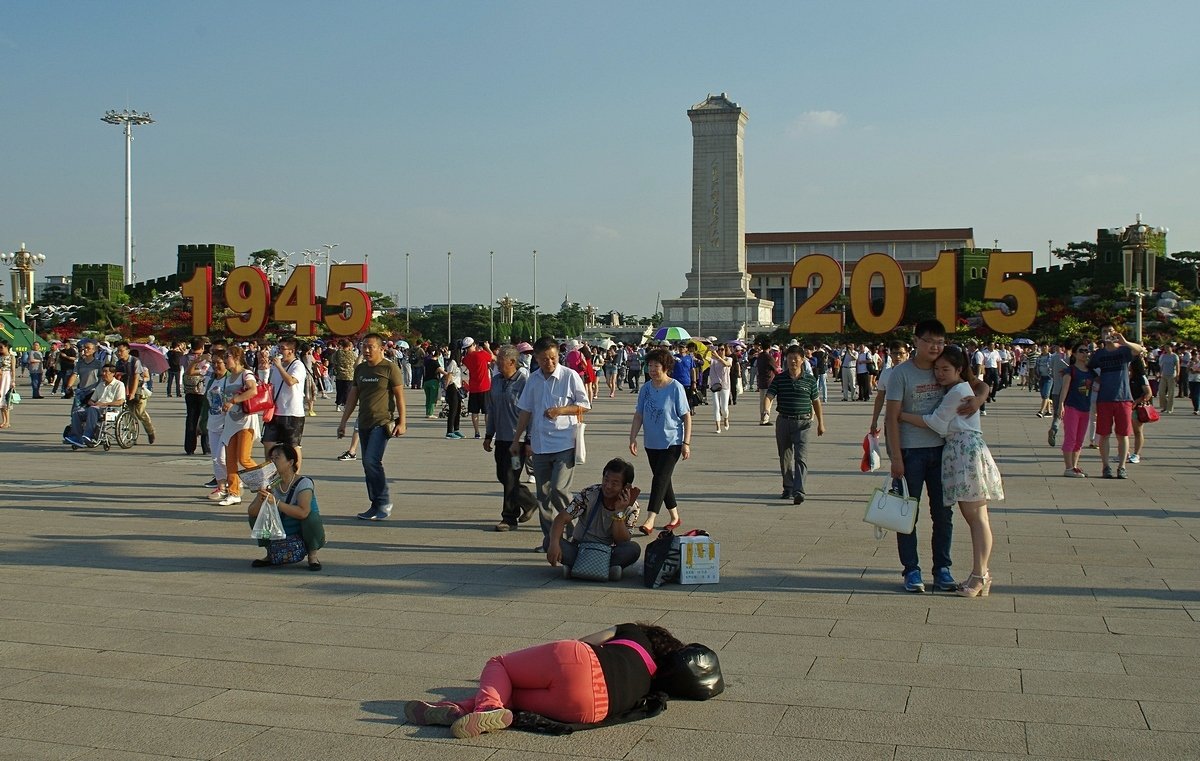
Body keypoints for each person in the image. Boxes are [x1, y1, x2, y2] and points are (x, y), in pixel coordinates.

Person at [405, 622, 685, 738]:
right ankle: (459, 710)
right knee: (510, 697)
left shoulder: (634, 632)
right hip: (590, 708)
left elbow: (586, 641)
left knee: (499, 664)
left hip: (578, 660)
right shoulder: (651, 686)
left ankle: (486, 708)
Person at [884, 319, 988, 594]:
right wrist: (895, 457)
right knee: (907, 513)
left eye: (940, 342)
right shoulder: (901, 374)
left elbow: (978, 385)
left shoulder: (944, 366)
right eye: (929, 340)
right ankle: (911, 570)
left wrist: (979, 399)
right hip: (910, 452)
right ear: (916, 340)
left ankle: (942, 568)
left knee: (943, 514)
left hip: (944, 451)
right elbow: (891, 417)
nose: (935, 347)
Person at [899, 345, 1004, 598]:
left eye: (945, 369)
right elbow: (980, 386)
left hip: (965, 452)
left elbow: (936, 422)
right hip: (962, 451)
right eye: (937, 368)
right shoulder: (959, 388)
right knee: (976, 518)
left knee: (977, 519)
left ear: (959, 369)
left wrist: (901, 415)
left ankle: (981, 575)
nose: (939, 373)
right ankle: (979, 573)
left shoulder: (957, 391)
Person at [510, 336, 591, 551]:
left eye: (553, 358)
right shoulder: (534, 380)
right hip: (540, 445)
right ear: (536, 357)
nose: (550, 363)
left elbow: (584, 405)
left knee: (559, 490)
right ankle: (550, 540)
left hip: (565, 443)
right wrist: (517, 439)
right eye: (545, 359)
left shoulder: (569, 376)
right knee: (543, 495)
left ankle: (576, 536)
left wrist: (561, 410)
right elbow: (525, 411)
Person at [337, 333, 407, 520]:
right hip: (364, 422)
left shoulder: (390, 368)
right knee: (367, 465)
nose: (366, 350)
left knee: (371, 461)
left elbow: (399, 396)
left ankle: (383, 501)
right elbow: (352, 398)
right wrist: (343, 422)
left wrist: (402, 421)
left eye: (370, 347)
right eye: (364, 347)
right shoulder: (360, 370)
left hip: (382, 422)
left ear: (381, 348)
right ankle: (375, 504)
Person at [547, 457, 642, 580]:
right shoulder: (589, 494)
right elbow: (561, 519)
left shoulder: (632, 508)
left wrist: (619, 511)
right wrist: (554, 544)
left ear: (626, 487)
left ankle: (576, 568)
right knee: (549, 540)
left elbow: (622, 541)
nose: (607, 486)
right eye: (606, 480)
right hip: (580, 549)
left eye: (614, 483)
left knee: (633, 549)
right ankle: (606, 570)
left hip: (608, 552)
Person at [629, 348, 690, 533]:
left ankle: (650, 519)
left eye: (657, 366)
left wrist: (686, 443)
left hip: (672, 442)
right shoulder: (646, 388)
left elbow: (686, 416)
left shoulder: (675, 387)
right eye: (650, 366)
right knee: (664, 481)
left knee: (659, 479)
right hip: (651, 442)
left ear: (666, 368)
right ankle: (675, 517)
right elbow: (639, 414)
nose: (653, 370)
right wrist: (633, 438)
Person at [246, 443, 325, 571]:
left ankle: (312, 554)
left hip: (299, 527)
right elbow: (252, 512)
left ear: (290, 462)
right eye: (271, 458)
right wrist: (260, 500)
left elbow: (303, 513)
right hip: (279, 526)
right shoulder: (269, 482)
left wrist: (276, 502)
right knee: (256, 516)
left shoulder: (304, 483)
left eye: (277, 457)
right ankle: (270, 552)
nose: (272, 461)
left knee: (311, 517)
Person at [764, 344, 826, 504]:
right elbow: (770, 395)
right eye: (790, 358)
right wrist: (766, 410)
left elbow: (816, 402)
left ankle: (799, 491)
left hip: (803, 422)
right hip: (784, 420)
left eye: (795, 358)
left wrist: (821, 423)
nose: (792, 361)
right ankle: (788, 487)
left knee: (801, 457)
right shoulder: (780, 378)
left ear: (802, 359)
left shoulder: (810, 380)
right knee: (784, 457)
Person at [484, 345, 535, 531]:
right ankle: (529, 501)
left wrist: (529, 440)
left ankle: (509, 518)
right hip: (501, 439)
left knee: (511, 475)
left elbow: (530, 412)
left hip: (518, 442)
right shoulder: (496, 381)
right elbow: (492, 409)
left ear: (512, 362)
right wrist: (489, 435)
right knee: (502, 475)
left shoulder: (525, 381)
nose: (496, 364)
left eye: (500, 362)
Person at [1087, 324, 1143, 479]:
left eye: (1110, 331)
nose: (1108, 333)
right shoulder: (1099, 354)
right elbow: (1089, 367)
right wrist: (1095, 377)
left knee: (1123, 434)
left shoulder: (1124, 351)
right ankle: (1106, 466)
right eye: (1104, 331)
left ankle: (1122, 466)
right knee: (1104, 434)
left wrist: (1124, 341)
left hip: (1123, 397)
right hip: (1104, 398)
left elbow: (1139, 350)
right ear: (1101, 335)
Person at [216, 346, 261, 506]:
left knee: (244, 458)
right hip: (231, 422)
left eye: (226, 356)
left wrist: (233, 401)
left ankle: (266, 481)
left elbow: (253, 391)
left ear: (236, 357)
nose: (224, 360)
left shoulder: (246, 374)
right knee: (230, 460)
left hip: (246, 421)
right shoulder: (229, 377)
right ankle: (233, 493)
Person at [261, 337, 308, 465]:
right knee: (268, 444)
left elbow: (290, 381)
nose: (279, 351)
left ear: (291, 351)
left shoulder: (298, 365)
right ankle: (271, 476)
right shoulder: (277, 366)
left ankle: (294, 477)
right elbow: (269, 384)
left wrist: (279, 367)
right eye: (278, 348)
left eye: (282, 348)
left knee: (292, 446)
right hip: (275, 412)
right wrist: (263, 368)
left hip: (292, 413)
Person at [1055, 343, 1099, 478]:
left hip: (1085, 408)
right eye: (1081, 351)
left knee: (1079, 439)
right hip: (1072, 407)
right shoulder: (1071, 370)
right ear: (1074, 354)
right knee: (1071, 437)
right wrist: (1061, 405)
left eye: (1087, 351)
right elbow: (1065, 388)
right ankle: (1068, 468)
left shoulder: (1091, 372)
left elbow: (1100, 383)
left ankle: (1074, 466)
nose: (1085, 353)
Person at [65, 363, 126, 445]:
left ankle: (88, 435)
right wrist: (93, 403)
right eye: (103, 372)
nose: (103, 374)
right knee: (77, 412)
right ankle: (76, 437)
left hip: (111, 409)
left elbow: (120, 401)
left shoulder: (119, 385)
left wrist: (103, 404)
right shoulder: (101, 385)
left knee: (92, 409)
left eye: (105, 372)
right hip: (96, 408)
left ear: (113, 373)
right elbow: (91, 400)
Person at [113, 341, 156, 444]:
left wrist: (132, 393)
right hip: (125, 390)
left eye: (121, 351)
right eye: (117, 351)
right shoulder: (119, 363)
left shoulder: (135, 361)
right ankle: (132, 436)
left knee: (140, 413)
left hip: (138, 391)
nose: (119, 353)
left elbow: (136, 378)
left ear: (128, 351)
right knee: (129, 414)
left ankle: (150, 431)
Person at [203, 351, 232, 500]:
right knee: (215, 458)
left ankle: (234, 482)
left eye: (218, 362)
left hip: (227, 424)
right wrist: (201, 423)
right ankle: (221, 487)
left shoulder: (230, 379)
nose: (215, 366)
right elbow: (205, 403)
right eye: (213, 362)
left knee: (222, 458)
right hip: (212, 422)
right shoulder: (211, 379)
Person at [869, 341, 909, 437]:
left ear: (907, 354)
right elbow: (880, 398)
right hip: (891, 420)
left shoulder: (914, 373)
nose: (898, 357)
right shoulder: (886, 373)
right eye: (895, 353)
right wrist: (874, 421)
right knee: (892, 451)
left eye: (901, 353)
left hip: (910, 421)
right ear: (890, 355)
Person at [183, 338, 213, 456]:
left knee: (191, 418)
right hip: (202, 391)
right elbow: (205, 372)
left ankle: (189, 447)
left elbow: (186, 371)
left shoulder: (186, 357)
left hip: (189, 391)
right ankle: (206, 447)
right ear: (202, 348)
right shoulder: (206, 359)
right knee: (205, 418)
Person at [462, 337, 493, 439]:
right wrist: (487, 348)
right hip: (485, 387)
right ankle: (488, 432)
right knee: (487, 412)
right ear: (474, 344)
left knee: (474, 412)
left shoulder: (466, 359)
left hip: (474, 388)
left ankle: (477, 432)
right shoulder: (482, 354)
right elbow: (493, 358)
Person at [1128, 354, 1153, 465]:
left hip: (1137, 407)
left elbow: (1148, 393)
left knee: (1137, 431)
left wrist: (1137, 402)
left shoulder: (1141, 377)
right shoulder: (1128, 376)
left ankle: (1136, 454)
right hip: (1127, 406)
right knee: (1125, 432)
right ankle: (1125, 452)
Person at [439, 343, 464, 439]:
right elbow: (449, 375)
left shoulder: (457, 363)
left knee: (458, 409)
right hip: (451, 387)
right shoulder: (452, 362)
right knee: (453, 410)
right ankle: (449, 431)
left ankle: (456, 429)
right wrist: (445, 387)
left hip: (457, 387)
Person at [708, 343, 733, 433]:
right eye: (718, 349)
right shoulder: (713, 360)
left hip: (725, 385)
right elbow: (704, 358)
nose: (720, 351)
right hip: (714, 385)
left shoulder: (729, 359)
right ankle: (718, 426)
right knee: (716, 406)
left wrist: (718, 357)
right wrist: (708, 350)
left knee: (724, 408)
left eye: (722, 349)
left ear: (725, 350)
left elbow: (727, 364)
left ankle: (726, 418)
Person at [421, 348, 442, 419]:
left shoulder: (427, 361)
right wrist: (447, 373)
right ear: (438, 355)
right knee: (432, 398)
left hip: (426, 381)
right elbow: (440, 370)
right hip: (433, 382)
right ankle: (430, 413)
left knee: (428, 398)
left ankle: (427, 412)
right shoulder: (435, 362)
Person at [0, 341, 13, 429]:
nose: (0, 349)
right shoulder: (0, 357)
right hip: (0, 376)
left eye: (1, 347)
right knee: (0, 400)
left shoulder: (11, 357)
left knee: (6, 399)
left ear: (6, 347)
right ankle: (4, 420)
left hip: (6, 377)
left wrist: (13, 381)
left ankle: (8, 422)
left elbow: (13, 370)